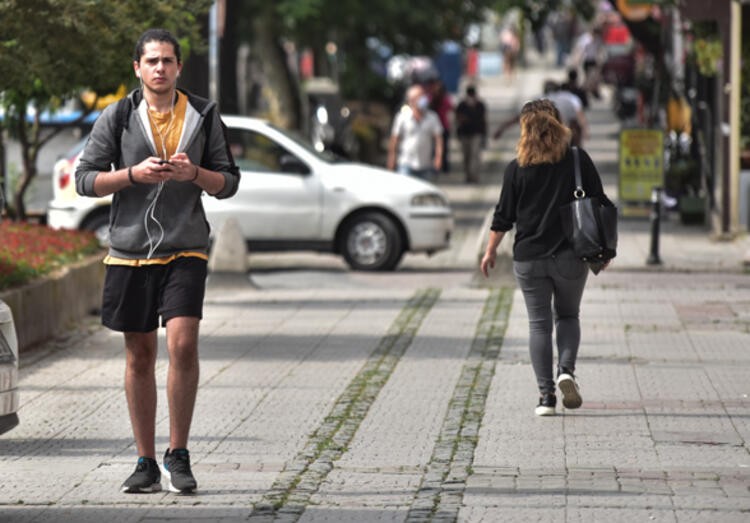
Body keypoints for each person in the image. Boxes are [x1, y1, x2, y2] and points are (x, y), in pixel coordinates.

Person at [75, 28, 240, 494]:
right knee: (140, 354)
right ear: (138, 68)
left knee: (183, 345)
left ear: (179, 67)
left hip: (185, 247)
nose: (160, 68)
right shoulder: (119, 116)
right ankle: (145, 461)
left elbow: (229, 181)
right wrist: (131, 175)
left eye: (168, 60)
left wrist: (196, 174)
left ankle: (179, 453)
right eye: (152, 61)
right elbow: (84, 180)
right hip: (129, 253)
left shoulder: (204, 114)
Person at [480, 99, 613, 416]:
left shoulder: (516, 169)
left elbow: (503, 217)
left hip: (529, 258)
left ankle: (546, 398)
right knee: (567, 316)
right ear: (558, 124)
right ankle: (566, 370)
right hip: (570, 256)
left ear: (525, 130)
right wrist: (606, 249)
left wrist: (490, 251)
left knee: (539, 326)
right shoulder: (578, 161)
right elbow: (601, 203)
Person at [387, 84, 443, 181]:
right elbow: (394, 139)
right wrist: (392, 158)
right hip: (406, 163)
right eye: (420, 96)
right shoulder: (402, 117)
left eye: (423, 95)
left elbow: (438, 139)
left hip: (425, 165)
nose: (423, 99)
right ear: (412, 100)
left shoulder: (432, 117)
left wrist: (438, 157)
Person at [454, 85, 487, 183]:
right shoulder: (462, 105)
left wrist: (484, 134)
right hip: (464, 134)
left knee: (475, 155)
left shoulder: (480, 105)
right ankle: (468, 176)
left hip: (476, 134)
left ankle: (475, 176)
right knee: (466, 156)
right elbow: (457, 118)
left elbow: (483, 120)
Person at [428, 79, 453, 173]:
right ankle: (437, 166)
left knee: (443, 148)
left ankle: (443, 166)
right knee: (435, 148)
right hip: (434, 127)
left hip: (443, 126)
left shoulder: (445, 99)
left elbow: (450, 108)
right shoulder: (431, 98)